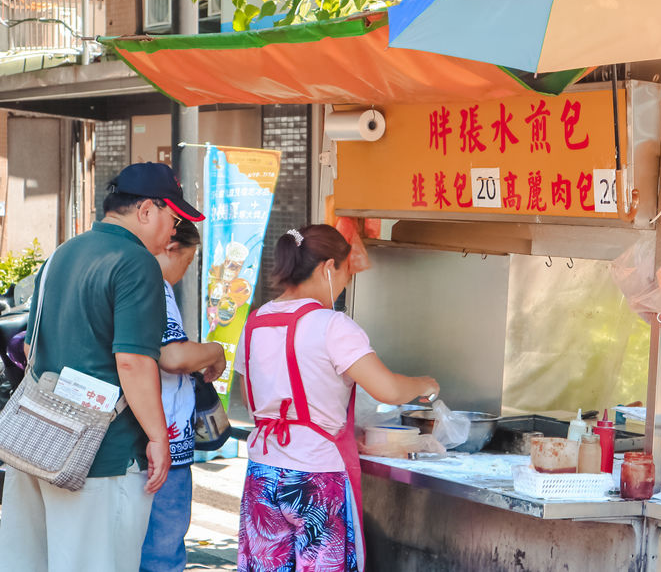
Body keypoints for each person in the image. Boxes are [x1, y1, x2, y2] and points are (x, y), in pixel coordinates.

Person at [0, 162, 204, 572]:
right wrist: (158, 438)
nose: (172, 233)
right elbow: (132, 362)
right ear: (147, 209)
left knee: (30, 562)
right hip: (101, 455)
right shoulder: (136, 262)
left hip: (38, 442)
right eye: (173, 217)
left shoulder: (63, 252)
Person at [236, 224, 438, 572]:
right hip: (317, 476)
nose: (345, 283)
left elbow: (250, 397)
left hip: (263, 472)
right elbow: (387, 389)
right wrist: (423, 383)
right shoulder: (332, 325)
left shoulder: (255, 322)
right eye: (346, 273)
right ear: (328, 267)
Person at [140, 219, 227, 572]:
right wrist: (214, 350)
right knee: (161, 552)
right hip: (163, 445)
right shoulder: (154, 287)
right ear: (170, 247)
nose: (184, 271)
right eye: (188, 262)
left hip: (137, 441)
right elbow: (174, 357)